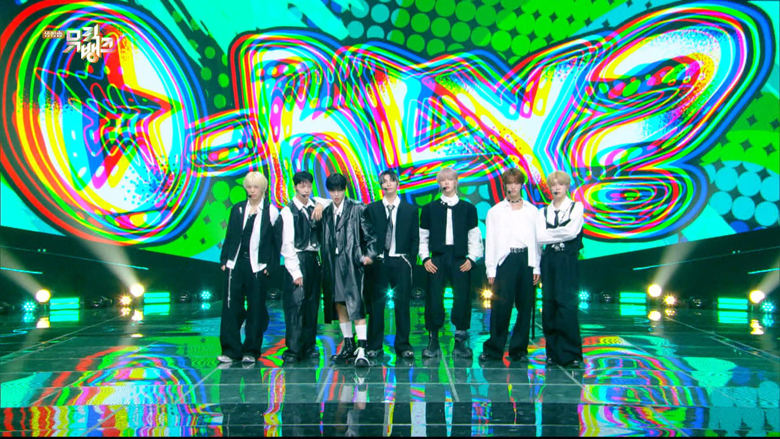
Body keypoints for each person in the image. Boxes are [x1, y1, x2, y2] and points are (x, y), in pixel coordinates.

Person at [217, 171, 282, 364]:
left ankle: (251, 350)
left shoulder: (271, 211)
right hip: (235, 264)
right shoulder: (237, 209)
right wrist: (224, 260)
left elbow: (275, 242)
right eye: (249, 187)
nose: (251, 191)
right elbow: (230, 237)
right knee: (231, 308)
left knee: (256, 309)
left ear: (263, 189)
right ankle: (230, 350)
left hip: (257, 266)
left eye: (255, 187)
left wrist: (271, 265)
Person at [419, 167, 483, 359]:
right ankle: (433, 341)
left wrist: (472, 258)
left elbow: (474, 236)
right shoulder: (429, 208)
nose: (445, 183)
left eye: (449, 180)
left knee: (462, 297)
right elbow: (423, 236)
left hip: (460, 258)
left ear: (456, 182)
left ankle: (461, 341)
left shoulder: (468, 208)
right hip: (437, 257)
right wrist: (425, 258)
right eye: (442, 180)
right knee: (433, 297)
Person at [479, 168, 541, 363]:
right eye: (509, 183)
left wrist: (536, 266)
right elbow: (490, 241)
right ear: (504, 185)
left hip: (526, 260)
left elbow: (537, 241)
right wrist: (491, 268)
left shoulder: (532, 211)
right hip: (504, 261)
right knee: (501, 306)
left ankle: (519, 350)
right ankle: (494, 349)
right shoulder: (495, 211)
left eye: (516, 183)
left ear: (521, 185)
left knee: (525, 306)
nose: (512, 187)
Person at [321, 173, 378, 367]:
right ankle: (348, 344)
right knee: (339, 303)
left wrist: (369, 255)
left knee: (356, 304)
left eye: (339, 190)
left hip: (353, 264)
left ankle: (362, 347)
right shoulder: (326, 211)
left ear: (345, 189)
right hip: (333, 263)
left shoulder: (358, 208)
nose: (336, 194)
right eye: (332, 191)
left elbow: (371, 236)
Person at [364, 170, 419, 360]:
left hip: (401, 261)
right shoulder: (372, 209)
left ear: (397, 183)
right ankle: (374, 345)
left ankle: (403, 345)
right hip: (379, 262)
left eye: (391, 181)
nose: (387, 184)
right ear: (381, 186)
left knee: (402, 305)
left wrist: (410, 261)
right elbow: (366, 236)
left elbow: (415, 238)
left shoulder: (410, 210)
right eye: (384, 182)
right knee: (376, 306)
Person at [535, 170, 585, 368]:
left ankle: (571, 353)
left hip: (567, 261)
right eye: (553, 185)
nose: (556, 188)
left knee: (567, 305)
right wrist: (558, 234)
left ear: (567, 186)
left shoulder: (576, 207)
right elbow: (540, 237)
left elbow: (572, 232)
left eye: (560, 184)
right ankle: (553, 353)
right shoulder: (543, 212)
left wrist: (552, 234)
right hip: (549, 260)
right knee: (549, 305)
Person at [279, 171, 326, 363]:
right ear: (295, 187)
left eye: (308, 185)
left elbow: (331, 201)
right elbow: (287, 245)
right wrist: (295, 271)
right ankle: (294, 348)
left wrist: (320, 204)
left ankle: (309, 345)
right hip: (297, 260)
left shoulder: (315, 205)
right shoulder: (288, 211)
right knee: (295, 305)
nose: (306, 189)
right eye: (302, 185)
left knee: (312, 304)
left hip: (314, 259)